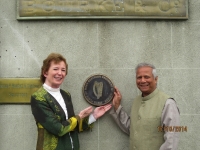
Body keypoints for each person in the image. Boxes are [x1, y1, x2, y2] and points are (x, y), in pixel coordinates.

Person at [30, 53, 111, 150]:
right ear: (45, 72)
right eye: (56, 69)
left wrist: (93, 116)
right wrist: (79, 117)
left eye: (63, 70)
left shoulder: (66, 95)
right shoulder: (38, 98)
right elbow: (59, 129)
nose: (60, 73)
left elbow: (71, 126)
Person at [110, 62, 180, 150]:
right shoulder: (137, 101)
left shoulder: (168, 103)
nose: (142, 81)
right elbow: (132, 129)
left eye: (146, 77)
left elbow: (171, 141)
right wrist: (117, 106)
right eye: (139, 77)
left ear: (156, 79)